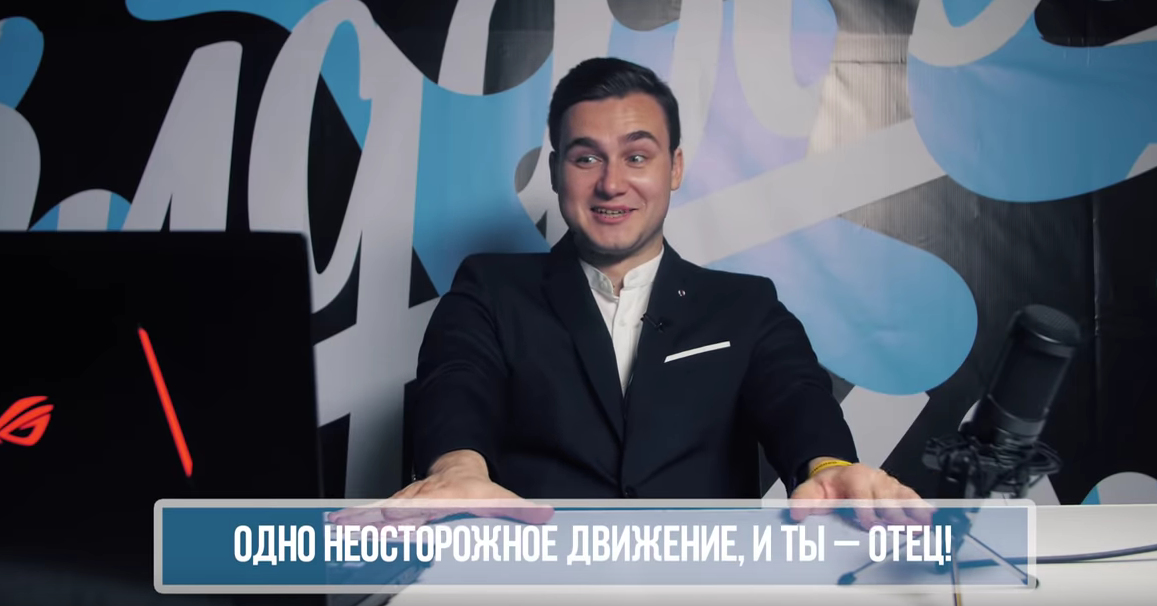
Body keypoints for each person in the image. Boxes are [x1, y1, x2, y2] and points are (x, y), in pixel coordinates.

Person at [334, 57, 927, 530]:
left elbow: (795, 395)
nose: (611, 183)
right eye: (586, 157)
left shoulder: (746, 306)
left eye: (637, 156)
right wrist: (457, 467)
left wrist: (830, 466)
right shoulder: (490, 290)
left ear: (674, 168)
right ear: (556, 172)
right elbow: (458, 382)